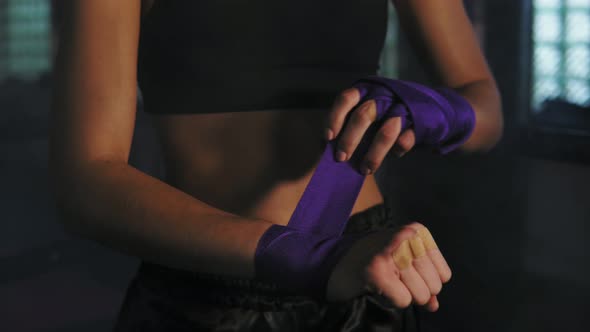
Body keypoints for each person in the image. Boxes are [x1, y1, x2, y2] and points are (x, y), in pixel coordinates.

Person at [49, 0, 503, 331]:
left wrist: (431, 109)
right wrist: (315, 258)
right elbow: (87, 182)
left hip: (370, 274)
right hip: (213, 292)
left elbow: (485, 108)